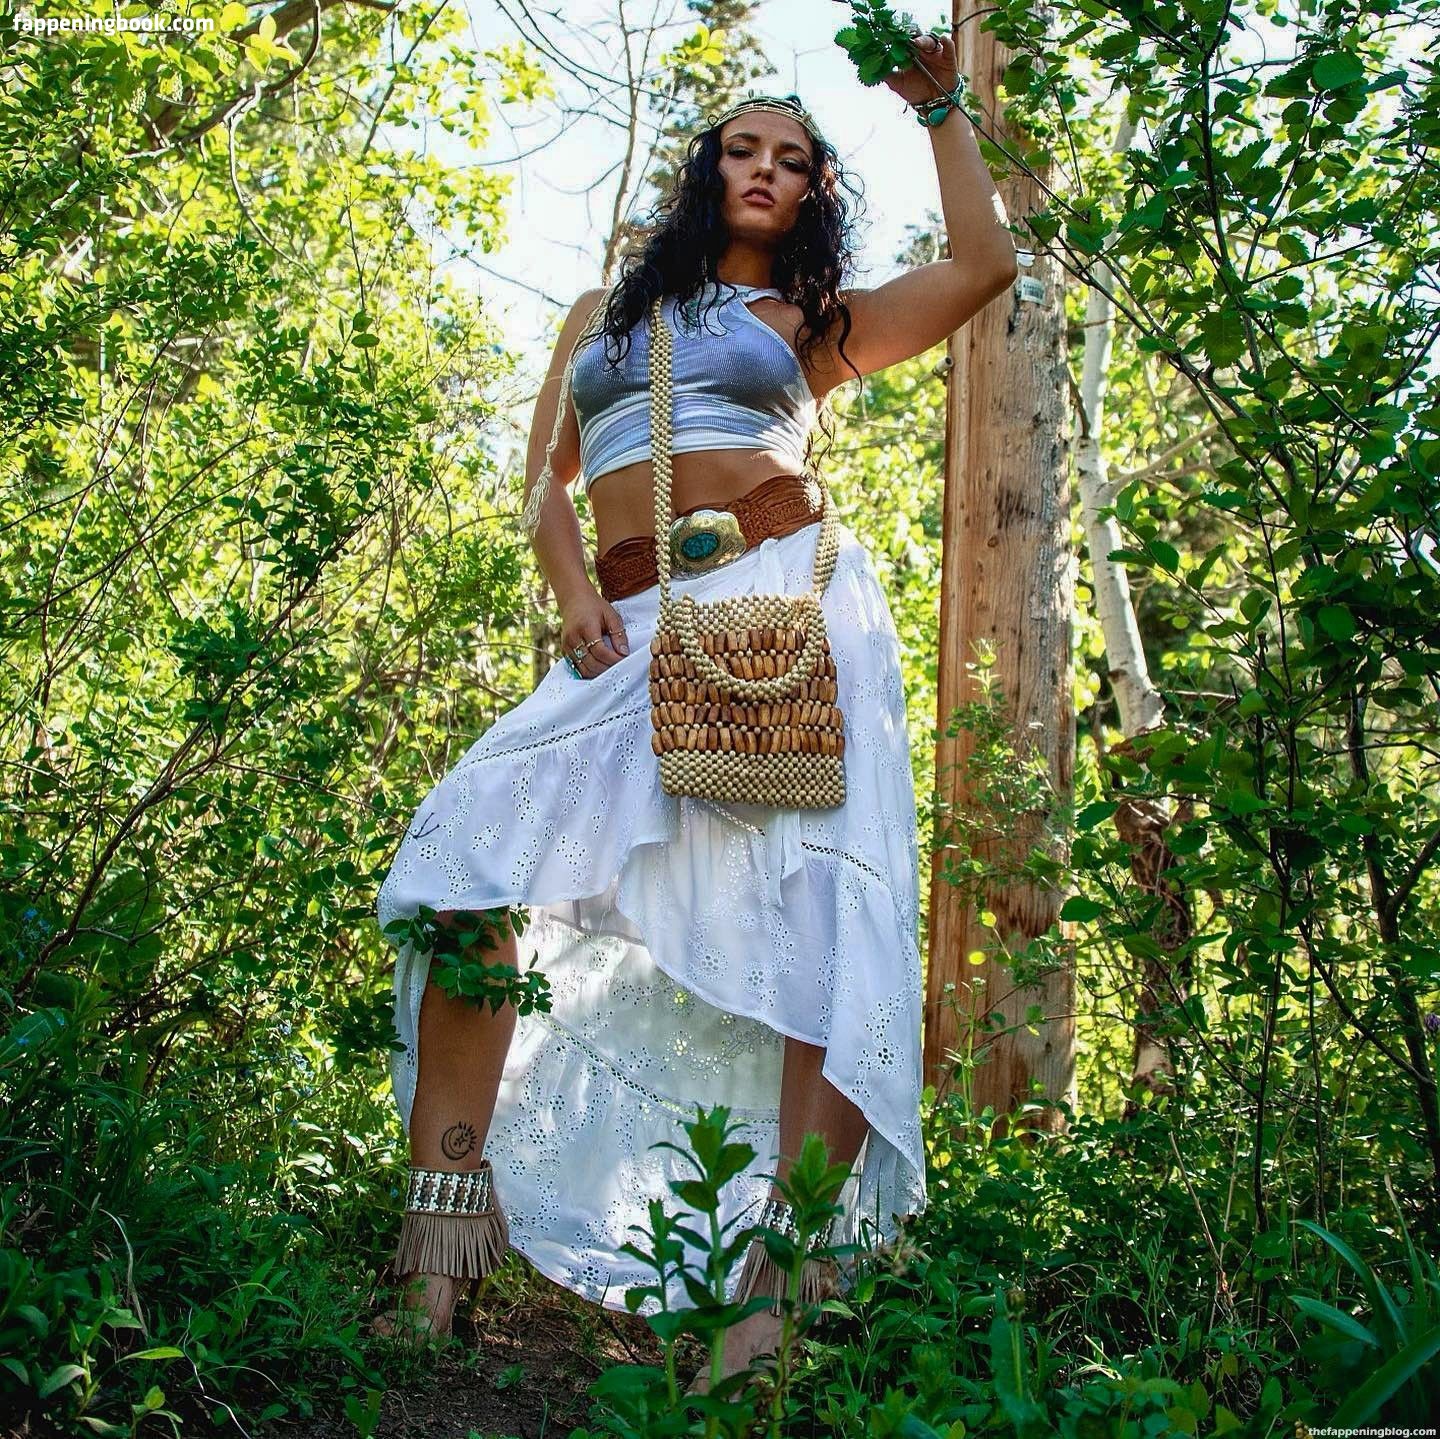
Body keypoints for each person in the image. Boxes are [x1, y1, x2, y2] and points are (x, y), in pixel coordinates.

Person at [374, 31, 1018, 1388]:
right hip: (623, 625)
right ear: (705, 169)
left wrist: (942, 110)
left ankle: (776, 1289)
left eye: (792, 158)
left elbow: (981, 268)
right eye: (742, 148)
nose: (765, 169)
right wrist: (570, 594)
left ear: (814, 190)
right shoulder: (600, 314)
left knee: (813, 914)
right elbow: (546, 484)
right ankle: (440, 1247)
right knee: (466, 866)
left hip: (772, 604)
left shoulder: (810, 322)